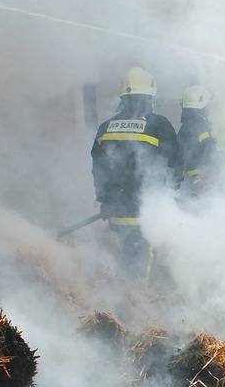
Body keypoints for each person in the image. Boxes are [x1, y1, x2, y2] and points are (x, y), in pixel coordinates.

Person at [91, 67, 181, 277]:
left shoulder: (105, 128)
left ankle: (117, 304)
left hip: (115, 212)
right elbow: (176, 165)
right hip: (147, 213)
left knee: (118, 264)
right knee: (142, 271)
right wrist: (170, 195)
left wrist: (105, 199)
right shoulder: (159, 125)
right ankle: (139, 306)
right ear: (149, 97)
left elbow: (98, 169)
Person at [177, 85, 216, 193]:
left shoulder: (187, 126)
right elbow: (208, 153)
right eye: (207, 105)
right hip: (200, 182)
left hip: (193, 181)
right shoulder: (198, 126)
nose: (209, 108)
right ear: (202, 105)